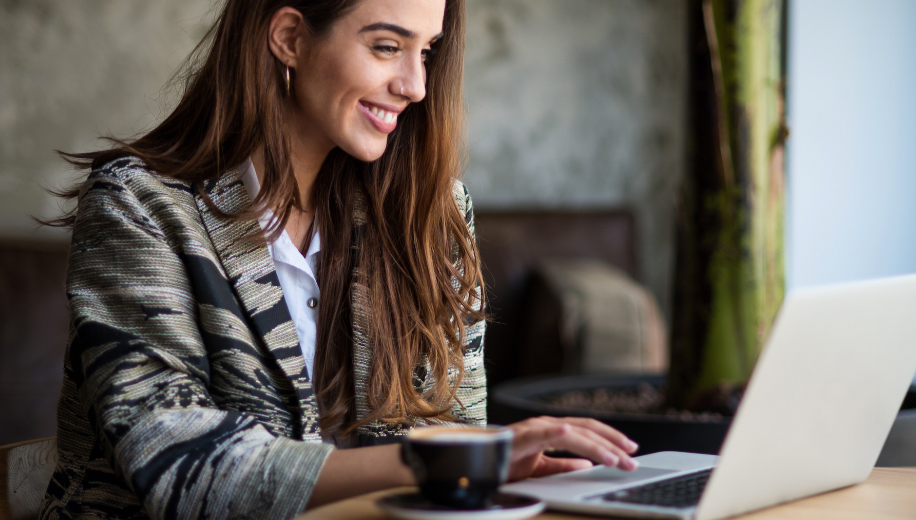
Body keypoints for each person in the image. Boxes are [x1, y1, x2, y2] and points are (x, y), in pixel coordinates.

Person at [39, 0, 639, 518]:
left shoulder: (432, 211)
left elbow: (460, 427)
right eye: (386, 47)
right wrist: (437, 460)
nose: (416, 85)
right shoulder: (138, 208)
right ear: (290, 38)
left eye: (426, 52)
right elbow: (183, 467)